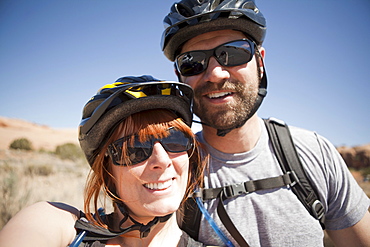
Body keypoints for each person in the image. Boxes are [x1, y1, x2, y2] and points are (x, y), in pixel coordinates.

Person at [161, 1, 370, 246]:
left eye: (233, 53)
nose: (216, 73)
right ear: (180, 77)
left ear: (260, 62)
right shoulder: (170, 172)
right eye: (192, 62)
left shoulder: (313, 153)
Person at [0, 75, 207, 247]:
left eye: (176, 140)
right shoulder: (62, 228)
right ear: (107, 170)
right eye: (134, 148)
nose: (162, 160)